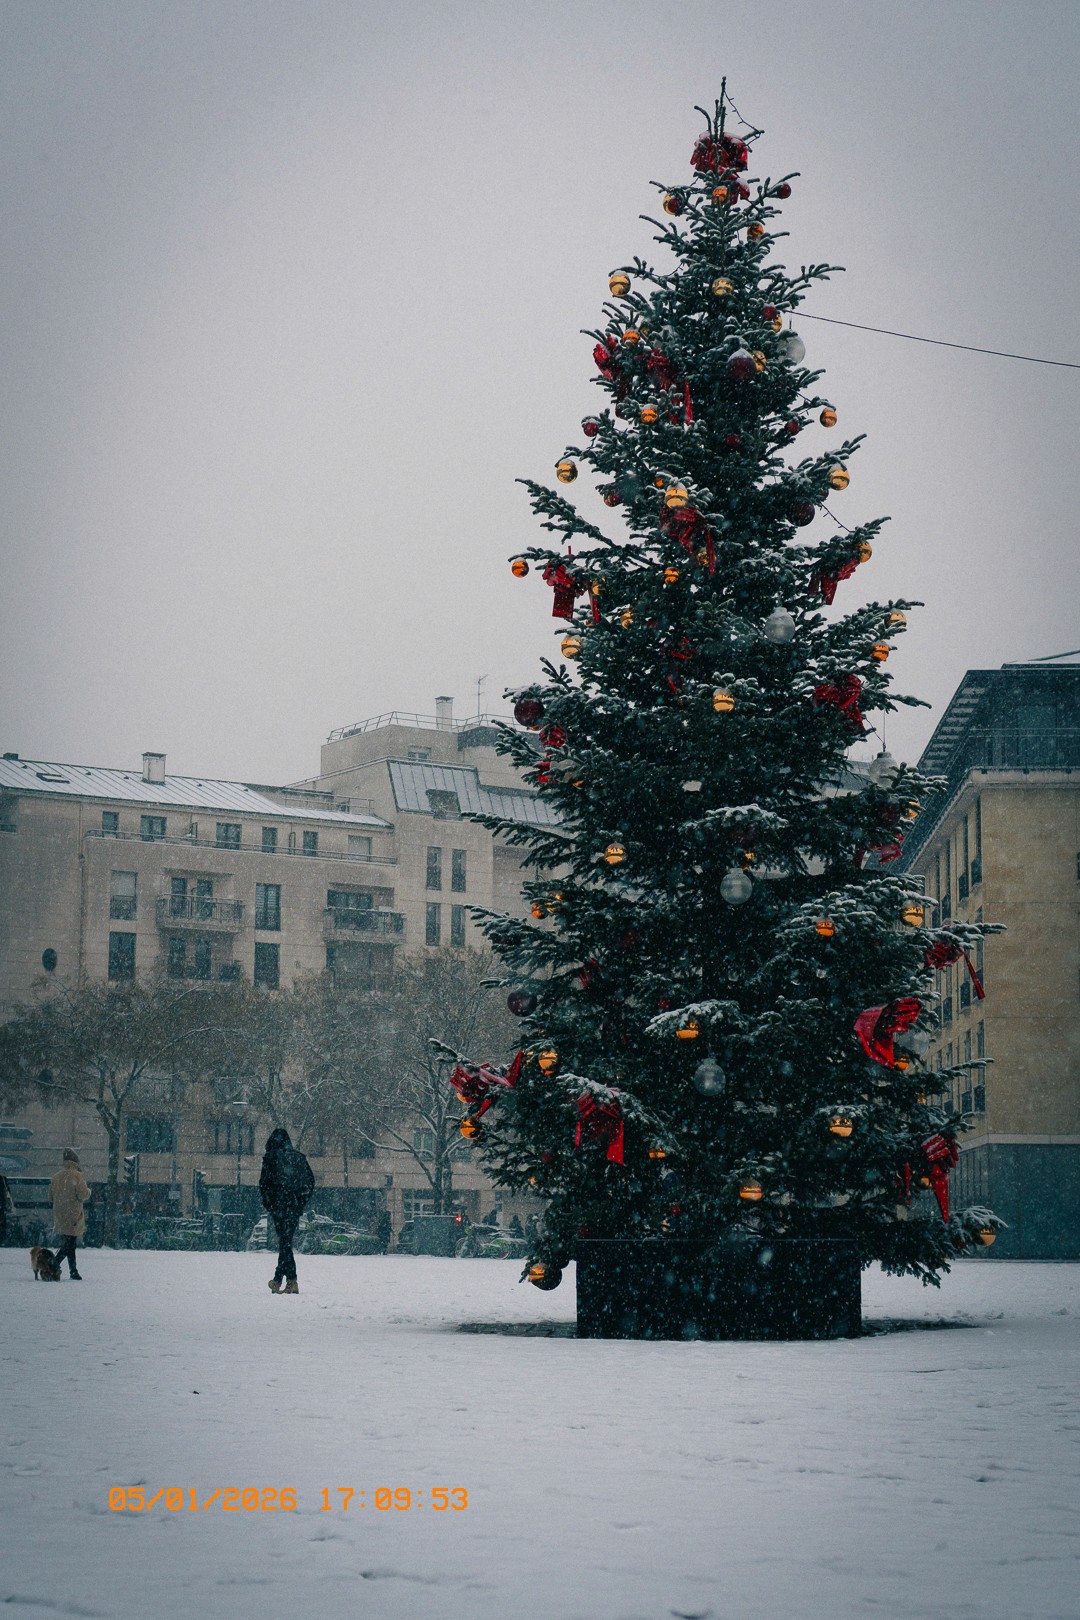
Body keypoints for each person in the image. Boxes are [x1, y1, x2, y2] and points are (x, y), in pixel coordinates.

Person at [258, 1128, 314, 1294]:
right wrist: (300, 1201)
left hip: (279, 1207)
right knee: (286, 1242)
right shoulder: (298, 1158)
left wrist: (271, 1203)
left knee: (285, 1242)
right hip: (293, 1207)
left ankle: (290, 1280)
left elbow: (264, 1184)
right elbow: (310, 1182)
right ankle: (279, 1280)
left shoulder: (271, 1158)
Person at [49, 1148, 91, 1279]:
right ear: (75, 1161)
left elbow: (50, 1197)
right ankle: (53, 1264)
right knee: (70, 1243)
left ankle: (74, 1271)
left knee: (69, 1242)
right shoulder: (77, 1176)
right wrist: (89, 1191)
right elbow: (83, 1195)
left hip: (59, 1214)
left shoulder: (56, 1176)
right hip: (73, 1213)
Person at [0, 1172, 15, 1245]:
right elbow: (7, 1192)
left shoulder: (3, 1179)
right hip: (2, 1206)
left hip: (2, 1206)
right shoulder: (3, 1179)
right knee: (2, 1224)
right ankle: (2, 1240)